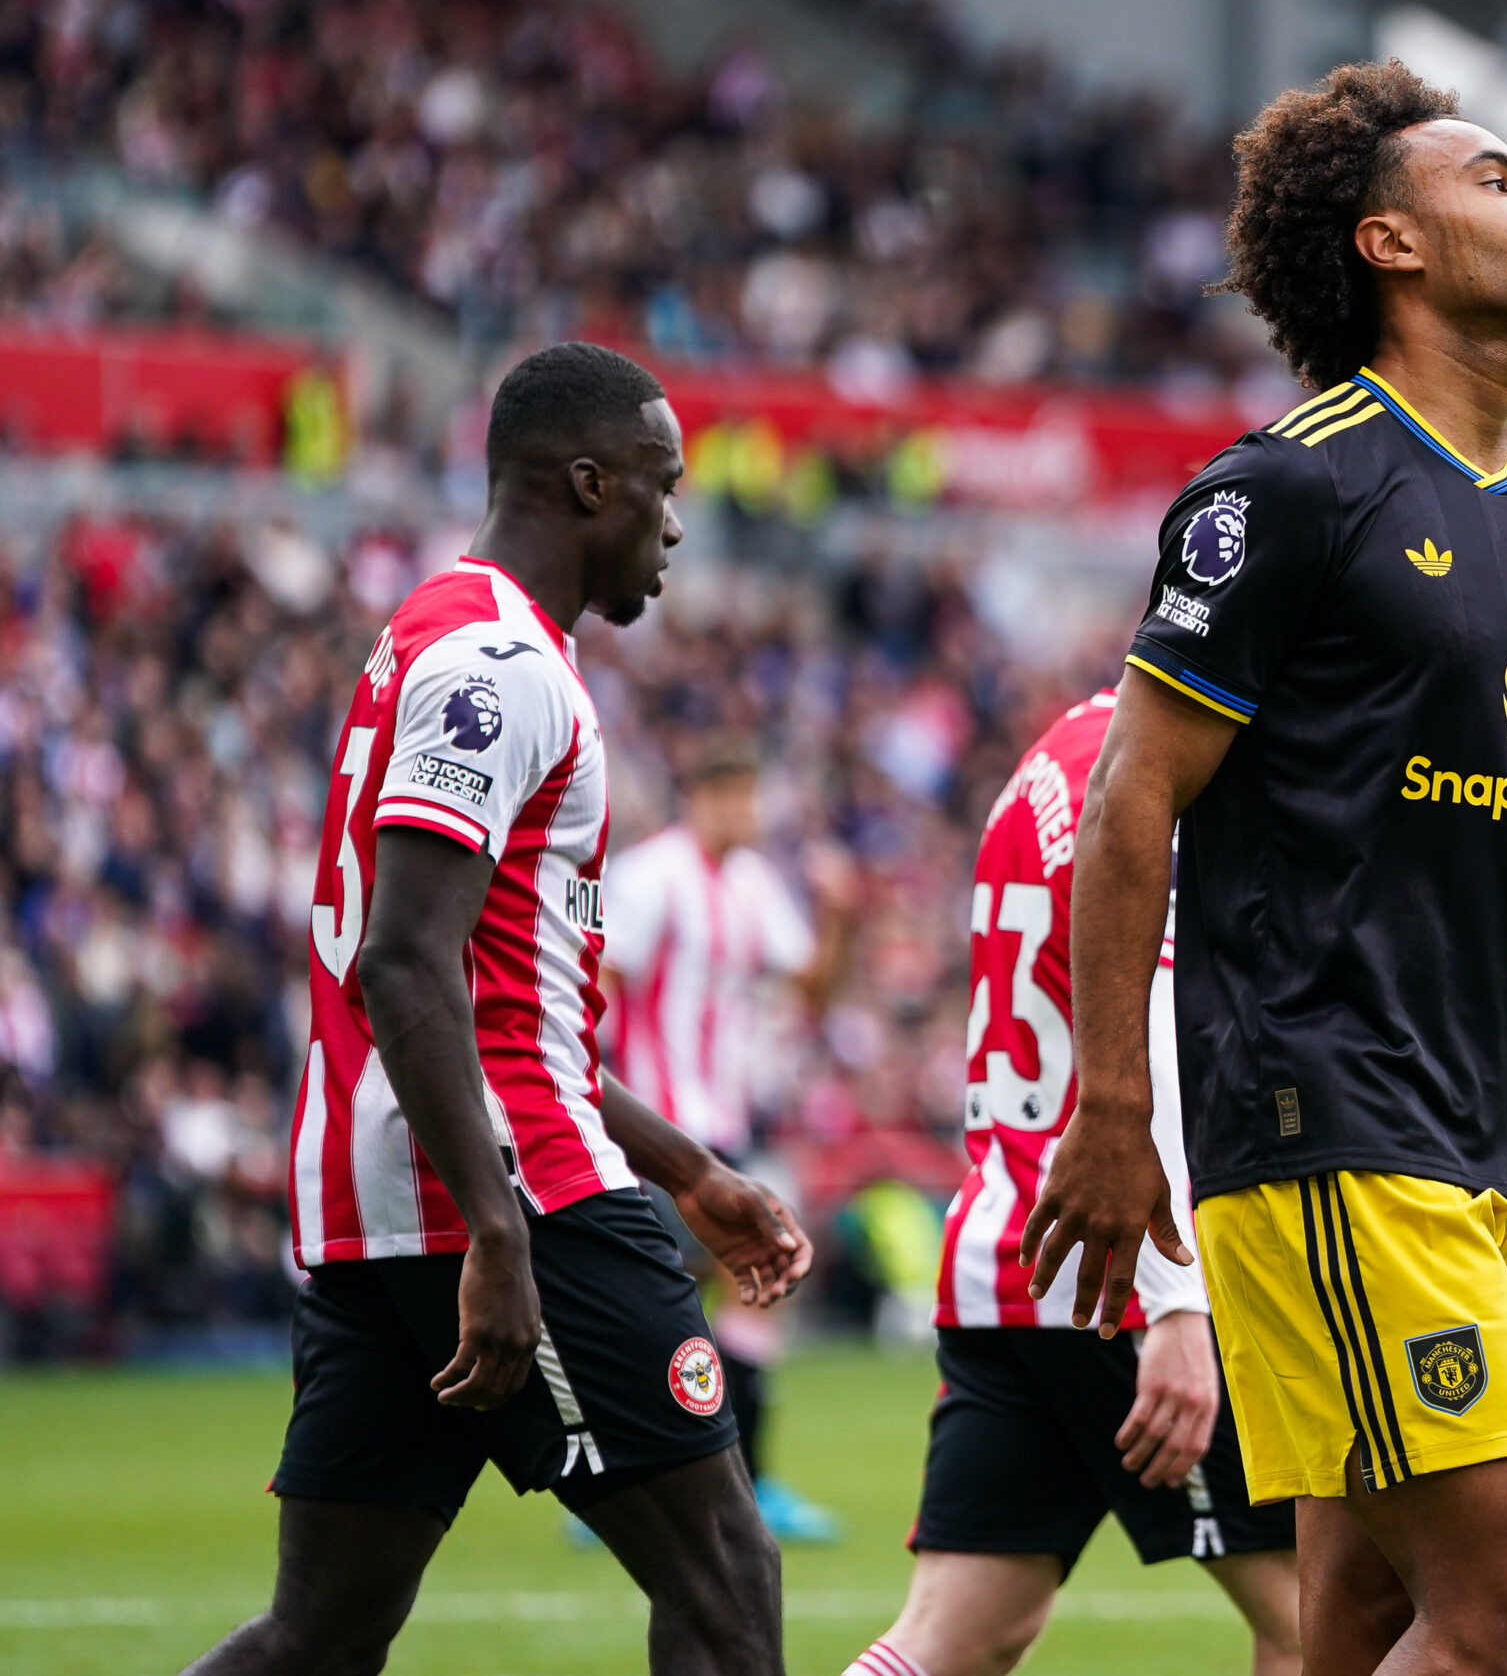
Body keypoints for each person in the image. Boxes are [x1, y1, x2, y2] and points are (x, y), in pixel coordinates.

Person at [1020, 63, 1507, 1676]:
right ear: (1389, 244)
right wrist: (1111, 1105)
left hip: (1497, 1145)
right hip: (1338, 1117)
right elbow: (1133, 797)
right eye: (1497, 179)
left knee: (1352, 1618)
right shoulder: (1289, 485)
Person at [184, 343, 811, 1676]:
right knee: (726, 1578)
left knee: (320, 1633)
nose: (677, 521)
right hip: (511, 1196)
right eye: (662, 484)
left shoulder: (442, 632)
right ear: (590, 484)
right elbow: (404, 963)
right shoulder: (497, 665)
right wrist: (499, 1230)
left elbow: (511, 1001)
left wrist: (689, 1167)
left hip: (390, 1204)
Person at [843, 687, 1299, 1676]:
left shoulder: (1048, 761)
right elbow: (1160, 1027)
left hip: (1010, 1253)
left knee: (954, 1637)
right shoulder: (1157, 769)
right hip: (1126, 1267)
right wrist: (1180, 1306)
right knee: (1326, 1619)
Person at [602, 744, 856, 1543]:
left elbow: (809, 986)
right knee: (693, 1287)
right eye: (729, 795)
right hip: (654, 1129)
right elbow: (599, 982)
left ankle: (739, 1474)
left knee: (750, 1285)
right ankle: (644, 1479)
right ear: (697, 795)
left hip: (727, 1130)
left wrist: (840, 915)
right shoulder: (650, 878)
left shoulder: (751, 885)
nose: (743, 813)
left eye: (750, 796)